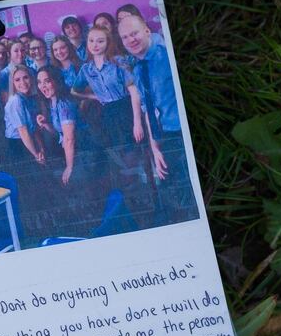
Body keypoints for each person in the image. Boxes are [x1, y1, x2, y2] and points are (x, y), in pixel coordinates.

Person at [118, 15, 198, 224]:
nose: (131, 40)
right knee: (173, 191)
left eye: (134, 33)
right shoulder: (137, 69)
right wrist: (154, 148)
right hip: (165, 138)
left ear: (147, 31)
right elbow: (148, 110)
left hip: (183, 132)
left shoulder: (167, 58)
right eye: (125, 37)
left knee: (189, 191)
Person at [71, 26, 145, 151]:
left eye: (100, 41)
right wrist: (94, 96)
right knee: (122, 152)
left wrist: (137, 123)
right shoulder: (86, 69)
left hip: (126, 107)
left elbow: (134, 92)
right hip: (108, 112)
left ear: (108, 43)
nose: (95, 45)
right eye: (91, 40)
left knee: (140, 146)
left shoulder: (118, 62)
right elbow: (74, 91)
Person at [35, 67, 79, 185]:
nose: (43, 86)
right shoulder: (52, 101)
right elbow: (60, 133)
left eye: (47, 81)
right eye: (39, 82)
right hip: (70, 151)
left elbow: (69, 139)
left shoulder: (64, 103)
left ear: (57, 81)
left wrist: (69, 167)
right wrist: (46, 125)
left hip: (80, 151)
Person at [4, 65, 44, 167]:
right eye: (17, 80)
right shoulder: (15, 101)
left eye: (25, 78)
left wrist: (41, 149)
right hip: (18, 145)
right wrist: (36, 155)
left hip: (30, 142)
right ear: (12, 83)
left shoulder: (29, 98)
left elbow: (34, 129)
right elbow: (23, 131)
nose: (23, 83)